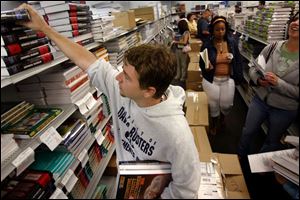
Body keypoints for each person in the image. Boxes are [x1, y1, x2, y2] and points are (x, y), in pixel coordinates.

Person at [17, 3, 201, 199]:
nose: (117, 78)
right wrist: (44, 29)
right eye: (122, 70)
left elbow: (186, 190)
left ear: (149, 91)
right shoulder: (124, 93)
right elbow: (87, 60)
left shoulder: (177, 135)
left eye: (127, 77)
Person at [237, 13, 299, 157]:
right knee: (248, 131)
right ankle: (240, 158)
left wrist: (279, 83)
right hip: (260, 100)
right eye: (295, 19)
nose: (296, 23)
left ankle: (262, 167)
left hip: (284, 109)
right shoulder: (273, 47)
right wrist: (258, 80)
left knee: (272, 140)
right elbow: (253, 67)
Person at [199, 16, 243, 135]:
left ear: (226, 29)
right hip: (211, 80)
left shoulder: (232, 43)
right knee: (213, 105)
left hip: (227, 79)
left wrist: (237, 71)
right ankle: (214, 123)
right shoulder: (207, 44)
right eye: (217, 29)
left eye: (223, 29)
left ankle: (222, 119)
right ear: (212, 30)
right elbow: (202, 62)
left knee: (227, 105)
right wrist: (207, 65)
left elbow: (238, 60)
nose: (220, 32)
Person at [173, 19, 191, 85]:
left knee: (183, 64)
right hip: (177, 49)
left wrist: (175, 42)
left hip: (183, 50)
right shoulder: (179, 32)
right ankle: (178, 75)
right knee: (178, 64)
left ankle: (183, 77)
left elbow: (184, 42)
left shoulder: (186, 32)